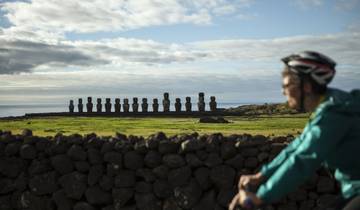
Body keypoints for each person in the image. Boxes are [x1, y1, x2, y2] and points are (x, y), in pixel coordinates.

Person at [229, 51, 360, 210]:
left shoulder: (336, 113)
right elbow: (296, 148)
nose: (283, 92)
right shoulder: (329, 107)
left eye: (286, 85)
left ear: (306, 87)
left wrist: (260, 198)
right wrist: (261, 176)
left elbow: (304, 159)